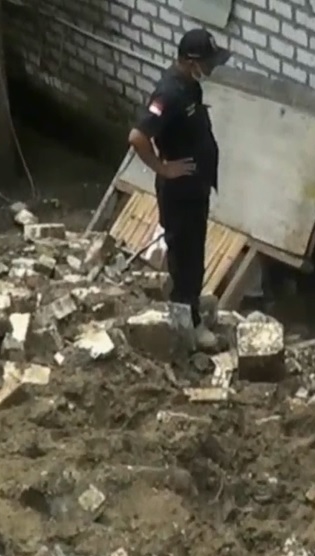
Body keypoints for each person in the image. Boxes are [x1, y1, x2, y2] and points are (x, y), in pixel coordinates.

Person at [127, 29, 230, 351]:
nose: (212, 68)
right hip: (179, 191)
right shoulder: (169, 94)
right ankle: (189, 329)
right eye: (208, 62)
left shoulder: (190, 87)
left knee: (194, 255)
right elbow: (137, 137)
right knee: (185, 258)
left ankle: (191, 310)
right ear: (190, 61)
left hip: (194, 188)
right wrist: (163, 167)